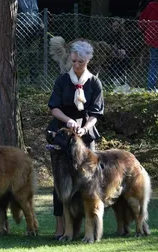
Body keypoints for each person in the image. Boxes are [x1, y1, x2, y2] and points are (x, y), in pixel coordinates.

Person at [46, 41, 104, 239]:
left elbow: (96, 112)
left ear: (88, 60)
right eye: (73, 61)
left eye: (80, 61)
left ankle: (87, 226)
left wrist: (86, 127)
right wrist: (69, 121)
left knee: (87, 183)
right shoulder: (62, 80)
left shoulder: (94, 83)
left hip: (85, 135)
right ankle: (61, 226)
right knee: (61, 182)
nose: (76, 65)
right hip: (62, 133)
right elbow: (54, 107)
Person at [139, 0, 158, 92]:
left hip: (152, 39)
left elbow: (142, 21)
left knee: (153, 64)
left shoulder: (151, 6)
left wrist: (143, 30)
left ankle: (150, 87)